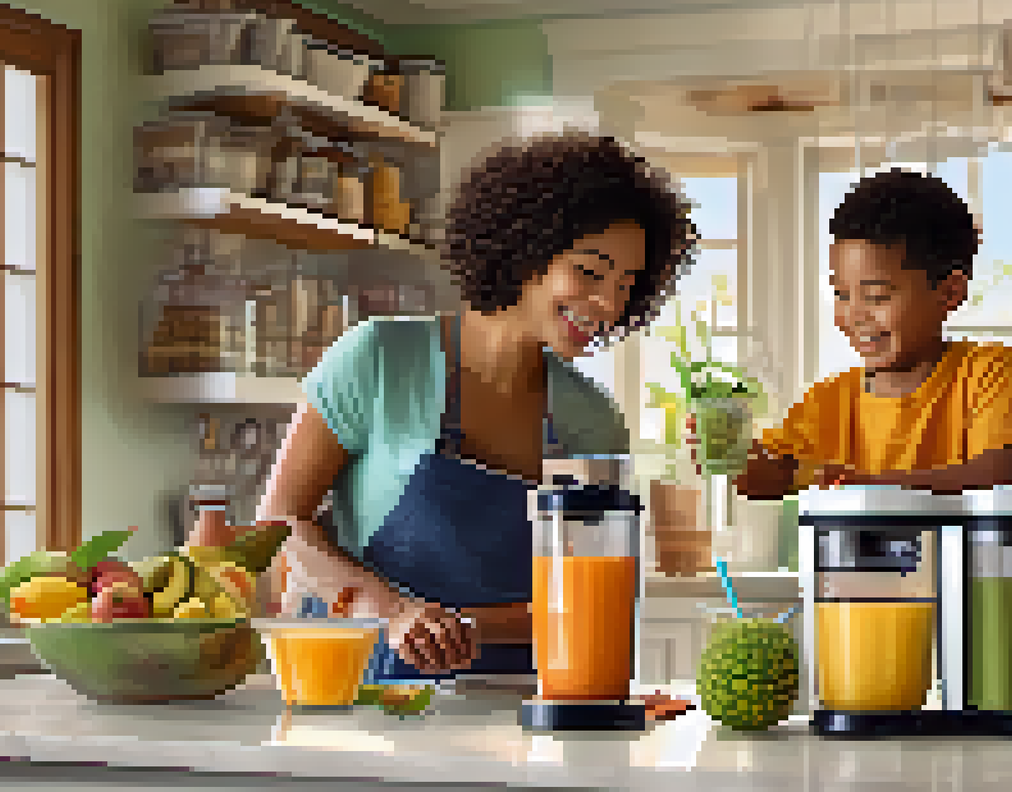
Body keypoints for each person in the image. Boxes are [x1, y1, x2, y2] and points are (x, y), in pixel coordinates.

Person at [256, 130, 698, 680]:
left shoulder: (592, 419)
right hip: (368, 702)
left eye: (627, 284)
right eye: (589, 271)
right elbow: (278, 526)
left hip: (525, 706)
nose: (609, 303)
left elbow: (588, 599)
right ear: (524, 251)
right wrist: (393, 613)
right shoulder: (378, 359)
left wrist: (458, 628)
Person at [692, 168, 1012, 497]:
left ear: (949, 293)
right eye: (841, 295)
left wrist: (872, 486)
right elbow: (771, 479)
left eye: (876, 296)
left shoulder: (986, 372)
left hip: (955, 562)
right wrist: (733, 455)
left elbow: (999, 474)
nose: (855, 315)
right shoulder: (827, 401)